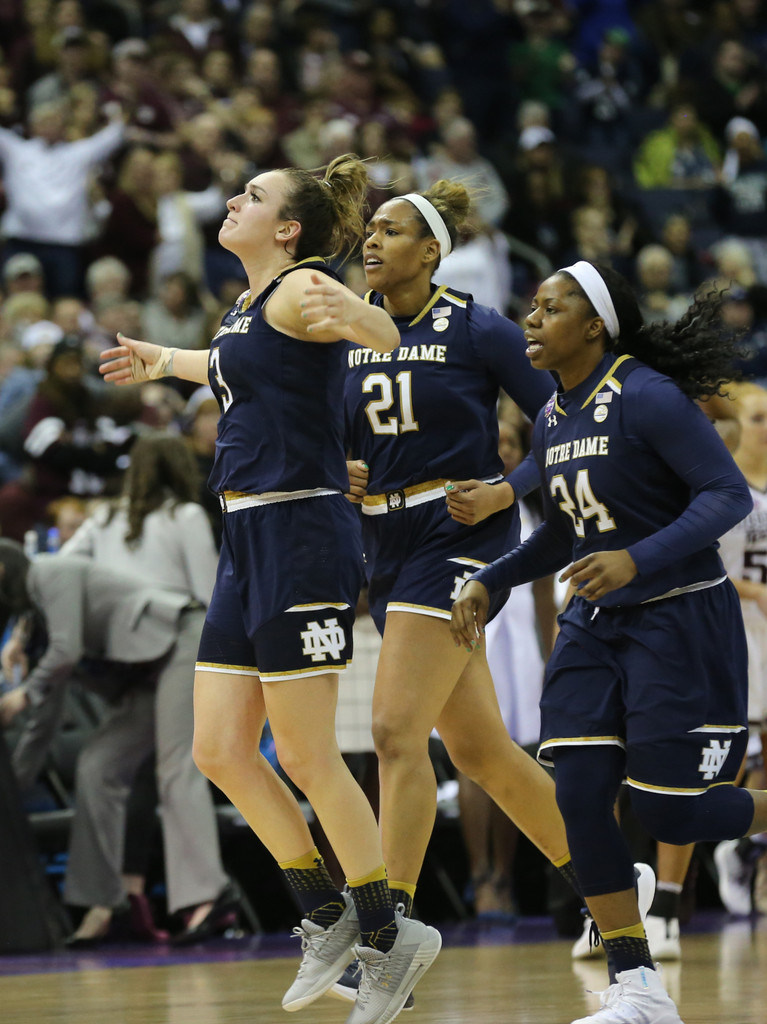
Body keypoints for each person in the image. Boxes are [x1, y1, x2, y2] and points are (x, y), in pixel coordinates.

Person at [97, 153, 441, 1024]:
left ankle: (389, 930)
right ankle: (326, 915)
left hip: (301, 533)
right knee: (218, 749)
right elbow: (225, 361)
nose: (231, 199)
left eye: (251, 196)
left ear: (287, 228)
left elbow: (381, 336)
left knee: (306, 752)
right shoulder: (249, 309)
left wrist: (364, 313)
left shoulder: (300, 290)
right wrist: (160, 361)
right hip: (247, 537)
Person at [337, 182, 656, 1004]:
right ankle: (612, 884)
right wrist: (333, 467)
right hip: (383, 541)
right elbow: (325, 435)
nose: (371, 241)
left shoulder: (475, 326)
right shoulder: (346, 330)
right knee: (480, 753)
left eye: (390, 230)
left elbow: (568, 418)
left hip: (458, 538)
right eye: (368, 230)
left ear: (431, 251)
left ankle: (386, 941)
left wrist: (509, 491)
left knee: (392, 731)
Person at [451, 259, 767, 1024]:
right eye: (529, 307)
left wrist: (637, 555)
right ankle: (637, 987)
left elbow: (725, 495)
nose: (530, 319)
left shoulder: (647, 396)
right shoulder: (553, 415)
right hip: (597, 625)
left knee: (673, 816)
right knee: (579, 793)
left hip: (678, 618)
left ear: (592, 325)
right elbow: (565, 530)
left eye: (549, 308)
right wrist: (493, 579)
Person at [55, 432, 232, 944]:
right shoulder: (173, 515)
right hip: (142, 652)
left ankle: (205, 896)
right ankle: (99, 902)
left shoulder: (116, 516)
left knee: (176, 765)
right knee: (99, 764)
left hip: (175, 642)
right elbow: (210, 590)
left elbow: (62, 565)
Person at [714, 383, 767, 917]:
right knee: (740, 758)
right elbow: (708, 568)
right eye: (757, 418)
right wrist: (753, 592)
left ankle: (752, 856)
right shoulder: (726, 488)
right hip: (739, 630)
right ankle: (734, 845)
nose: (766, 427)